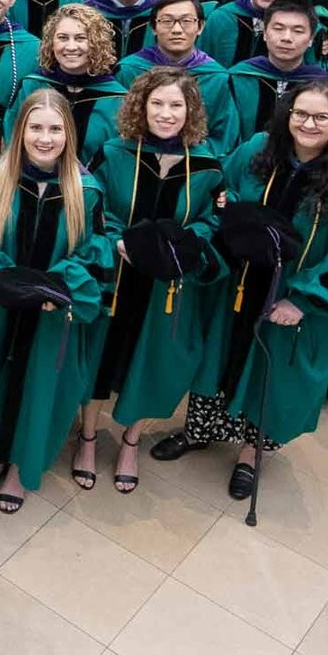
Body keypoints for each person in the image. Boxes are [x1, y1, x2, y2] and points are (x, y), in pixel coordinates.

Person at [151, 79, 328, 502]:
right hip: (236, 285)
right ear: (287, 115)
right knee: (218, 360)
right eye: (300, 114)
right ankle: (199, 431)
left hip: (288, 300)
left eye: (321, 117)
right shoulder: (258, 150)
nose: (308, 124)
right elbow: (223, 192)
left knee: (270, 374)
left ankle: (250, 456)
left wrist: (304, 299)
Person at [0, 87, 109, 513]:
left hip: (52, 311)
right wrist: (2, 282)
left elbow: (93, 252)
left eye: (55, 129)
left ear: (68, 135)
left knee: (36, 386)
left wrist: (57, 288)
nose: (44, 138)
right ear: (19, 131)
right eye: (35, 127)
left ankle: (20, 464)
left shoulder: (86, 189)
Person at [86, 70, 226, 492]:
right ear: (140, 107)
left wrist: (183, 246)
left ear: (191, 111)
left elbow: (210, 220)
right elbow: (95, 206)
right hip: (118, 276)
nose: (166, 114)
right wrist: (117, 241)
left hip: (167, 285)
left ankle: (130, 441)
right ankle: (89, 439)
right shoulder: (113, 153)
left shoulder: (206, 165)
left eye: (176, 106)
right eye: (157, 104)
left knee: (148, 364)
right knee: (100, 358)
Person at [18, 3, 124, 160]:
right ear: (51, 42)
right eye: (62, 38)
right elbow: (12, 140)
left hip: (92, 182)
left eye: (81, 38)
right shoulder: (32, 86)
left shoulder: (116, 99)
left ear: (97, 43)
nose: (71, 46)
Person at [219, 0, 328, 139]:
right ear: (265, 34)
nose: (286, 38)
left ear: (311, 39)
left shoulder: (324, 85)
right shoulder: (237, 78)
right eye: (278, 29)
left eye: (297, 31)